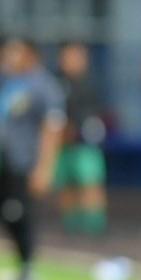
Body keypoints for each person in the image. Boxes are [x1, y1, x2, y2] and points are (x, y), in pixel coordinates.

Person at [0, 37, 64, 280]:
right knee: (0, 209)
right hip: (6, 160)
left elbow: (52, 128)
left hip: (25, 162)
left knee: (21, 215)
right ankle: (22, 270)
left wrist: (43, 167)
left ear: (30, 55)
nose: (9, 58)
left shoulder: (44, 86)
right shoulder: (9, 82)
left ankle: (28, 273)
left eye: (15, 53)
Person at [54, 41, 107, 235]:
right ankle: (70, 225)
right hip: (63, 144)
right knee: (66, 185)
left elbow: (89, 117)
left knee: (89, 182)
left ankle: (94, 225)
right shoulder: (57, 82)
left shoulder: (89, 83)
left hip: (85, 143)